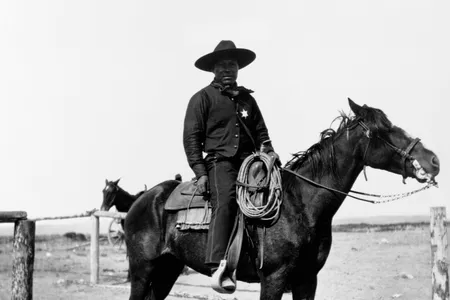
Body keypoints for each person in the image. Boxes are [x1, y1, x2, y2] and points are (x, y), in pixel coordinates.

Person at [183, 40, 279, 291]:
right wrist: (200, 172)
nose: (228, 70)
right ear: (213, 69)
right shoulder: (202, 98)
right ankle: (218, 266)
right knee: (225, 201)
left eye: (233, 65)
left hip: (250, 163)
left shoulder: (248, 100)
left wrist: (268, 151)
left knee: (274, 198)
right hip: (219, 163)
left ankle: (275, 261)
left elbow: (261, 132)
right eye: (223, 65)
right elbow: (191, 138)